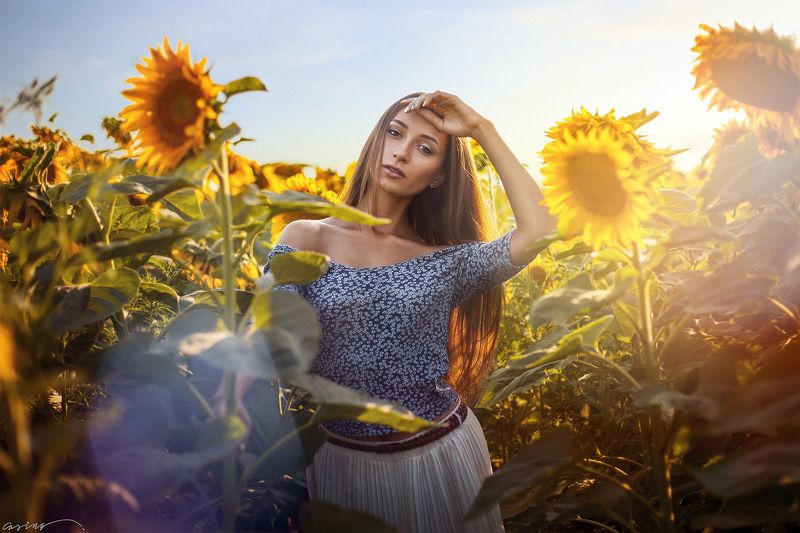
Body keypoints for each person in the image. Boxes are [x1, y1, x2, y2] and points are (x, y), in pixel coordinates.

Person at [212, 90, 557, 533]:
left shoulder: (445, 261)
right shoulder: (308, 236)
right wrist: (231, 391)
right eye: (395, 133)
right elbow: (270, 316)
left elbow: (540, 230)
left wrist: (480, 129)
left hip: (444, 454)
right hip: (343, 464)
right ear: (376, 140)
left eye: (426, 148)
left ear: (437, 176)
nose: (402, 152)